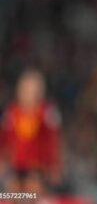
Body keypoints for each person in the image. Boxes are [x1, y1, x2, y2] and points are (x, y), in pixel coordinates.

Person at [0, 69, 62, 197]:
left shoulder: (47, 113)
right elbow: (4, 139)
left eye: (33, 90)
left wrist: (54, 165)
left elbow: (52, 141)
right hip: (16, 166)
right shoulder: (12, 113)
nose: (29, 94)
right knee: (12, 193)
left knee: (32, 192)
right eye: (26, 90)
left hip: (38, 168)